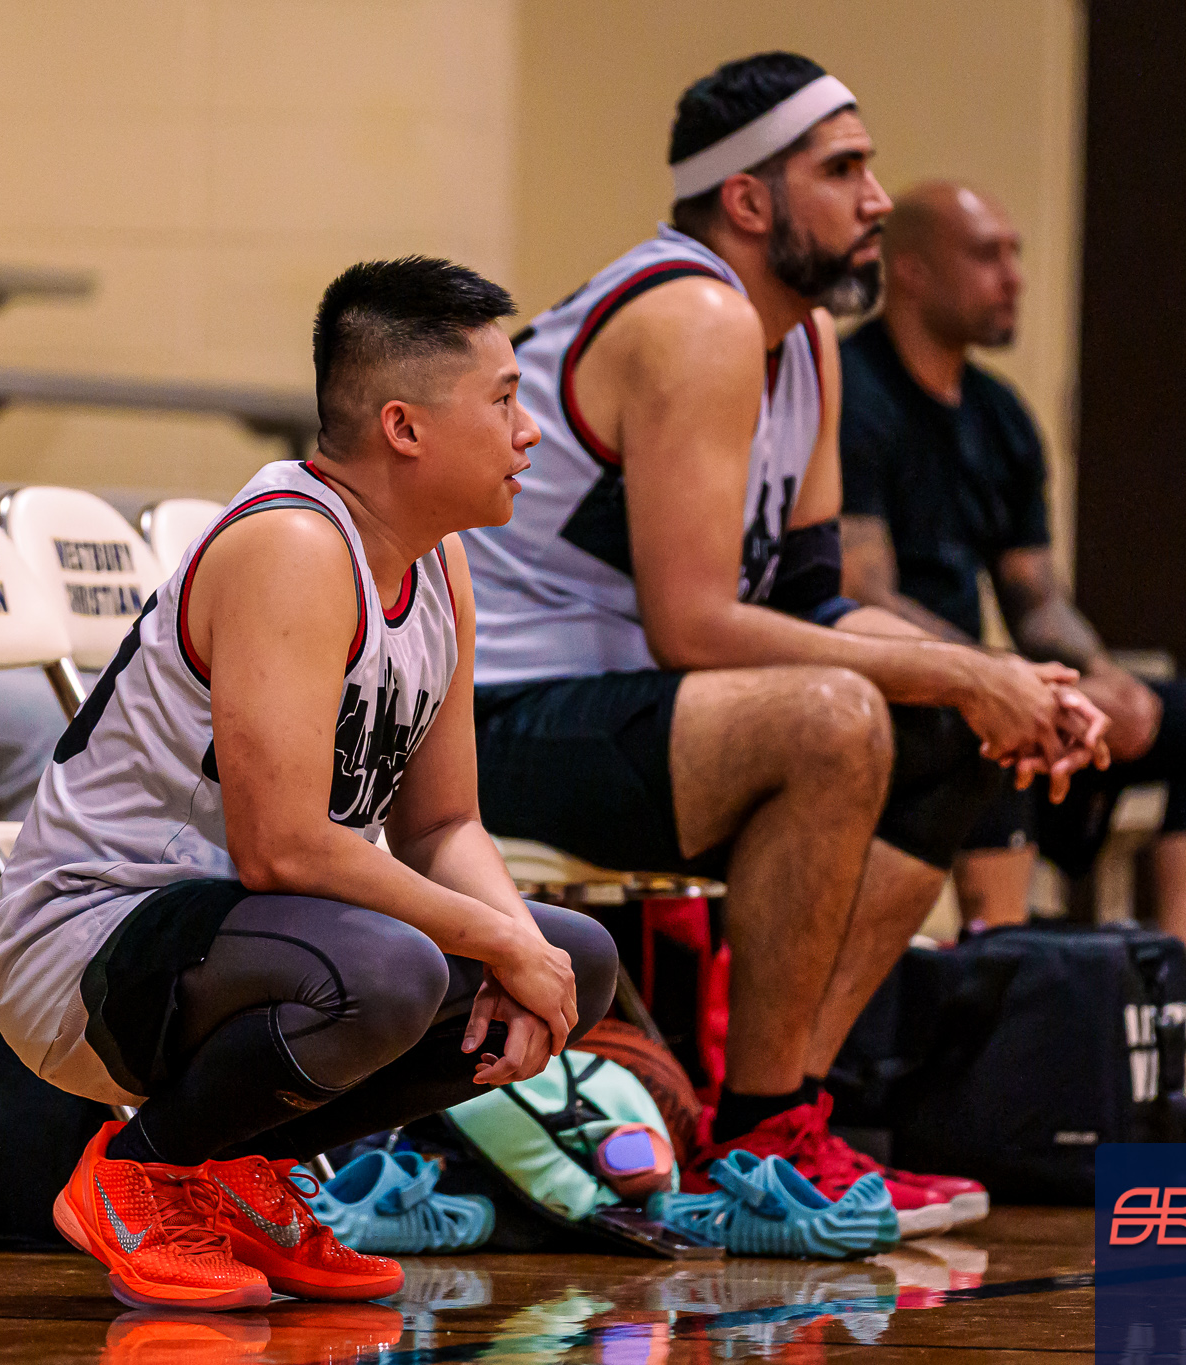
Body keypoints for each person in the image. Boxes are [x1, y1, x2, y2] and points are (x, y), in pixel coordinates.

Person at [460, 52, 1109, 1236]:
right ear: (749, 200)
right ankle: (756, 1139)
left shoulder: (799, 340)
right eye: (844, 170)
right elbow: (696, 624)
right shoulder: (692, 315)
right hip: (492, 715)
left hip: (632, 707)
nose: (877, 199)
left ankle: (782, 1116)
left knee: (949, 733)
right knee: (831, 718)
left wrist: (999, 683)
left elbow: (812, 603)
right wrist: (959, 667)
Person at [0, 257, 618, 1311]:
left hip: (254, 940)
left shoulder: (437, 560)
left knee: (575, 961)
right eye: (504, 401)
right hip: (89, 941)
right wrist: (499, 940)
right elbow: (282, 847)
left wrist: (524, 953)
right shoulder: (292, 544)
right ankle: (136, 1174)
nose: (530, 432)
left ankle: (233, 1168)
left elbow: (443, 823)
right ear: (404, 427)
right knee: (397, 968)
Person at [839, 181, 1186, 1137]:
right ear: (910, 270)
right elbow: (862, 591)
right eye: (988, 254)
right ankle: (998, 1043)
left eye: (1015, 251)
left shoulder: (998, 414)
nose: (1014, 276)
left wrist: (1101, 676)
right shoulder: (854, 394)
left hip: (994, 672)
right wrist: (1001, 680)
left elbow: (1036, 595)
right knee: (992, 729)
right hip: (893, 682)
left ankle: (1180, 1037)